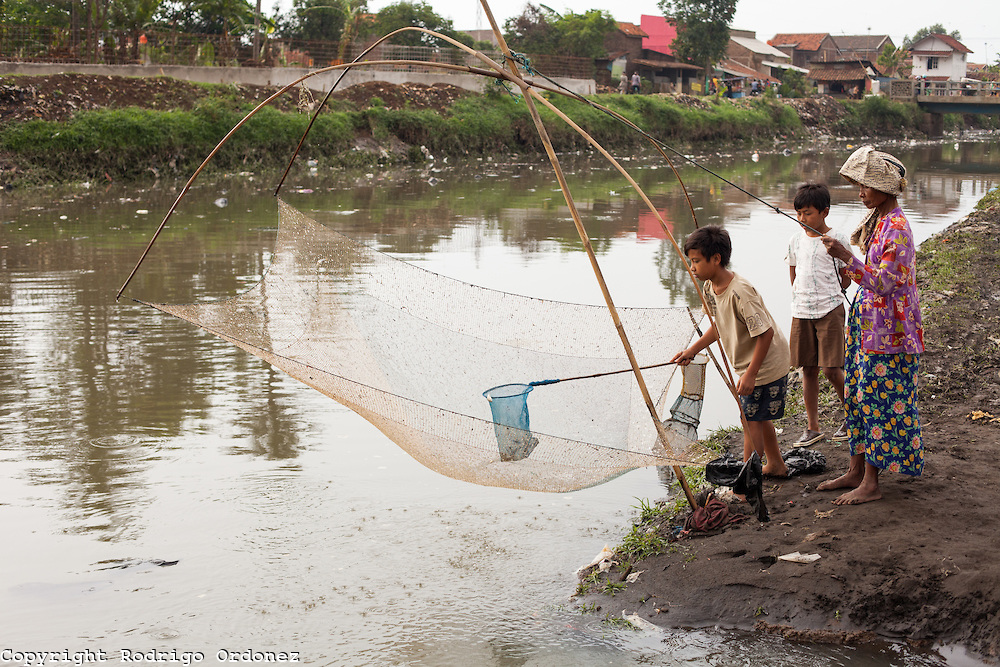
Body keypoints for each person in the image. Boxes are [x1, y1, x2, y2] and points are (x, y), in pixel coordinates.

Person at [818, 146, 924, 505]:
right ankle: (855, 470)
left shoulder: (897, 228)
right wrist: (851, 269)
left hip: (889, 332)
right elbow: (872, 274)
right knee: (860, 399)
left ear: (884, 188)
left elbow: (885, 283)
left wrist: (848, 258)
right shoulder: (878, 220)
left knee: (878, 401)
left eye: (865, 185)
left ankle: (871, 484)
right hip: (868, 325)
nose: (860, 191)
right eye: (859, 185)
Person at [672, 226, 791, 477]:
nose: (692, 268)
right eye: (690, 261)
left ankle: (746, 483)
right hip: (752, 365)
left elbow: (765, 333)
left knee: (749, 421)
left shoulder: (740, 292)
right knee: (757, 416)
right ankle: (777, 465)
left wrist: (750, 374)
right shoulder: (709, 288)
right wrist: (692, 350)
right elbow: (718, 326)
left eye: (696, 261)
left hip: (765, 365)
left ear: (716, 259)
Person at [786, 183, 851, 447]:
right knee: (808, 369)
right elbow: (793, 276)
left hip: (830, 310)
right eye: (799, 213)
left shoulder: (838, 240)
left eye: (808, 213)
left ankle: (853, 416)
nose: (802, 219)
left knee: (832, 369)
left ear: (825, 212)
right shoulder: (794, 241)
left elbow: (846, 279)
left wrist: (828, 293)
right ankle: (813, 427)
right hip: (801, 312)